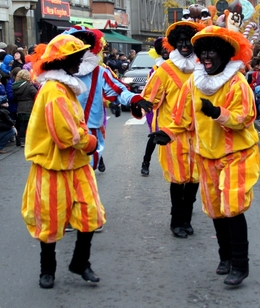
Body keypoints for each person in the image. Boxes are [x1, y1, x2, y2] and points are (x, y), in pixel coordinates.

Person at [149, 25, 259, 286]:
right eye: (203, 52)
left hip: (237, 154)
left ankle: (240, 265)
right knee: (215, 210)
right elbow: (182, 117)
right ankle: (225, 257)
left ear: (224, 54)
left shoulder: (237, 83)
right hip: (207, 155)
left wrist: (217, 112)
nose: (206, 56)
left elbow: (245, 117)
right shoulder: (194, 82)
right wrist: (167, 132)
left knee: (232, 208)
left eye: (212, 51)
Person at [21, 34, 105, 289]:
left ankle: (81, 262)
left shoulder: (64, 86)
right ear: (62, 61)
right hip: (52, 167)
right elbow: (65, 134)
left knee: (90, 215)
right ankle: (47, 269)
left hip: (77, 166)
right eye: (76, 59)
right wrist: (89, 142)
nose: (80, 64)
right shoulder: (54, 90)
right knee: (50, 220)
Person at [138, 21, 202, 238]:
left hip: (200, 134)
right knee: (178, 178)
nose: (184, 45)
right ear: (174, 44)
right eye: (180, 41)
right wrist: (141, 104)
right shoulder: (164, 70)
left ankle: (187, 218)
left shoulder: (203, 68)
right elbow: (150, 98)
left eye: (188, 41)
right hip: (173, 134)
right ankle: (176, 220)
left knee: (194, 179)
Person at [59, 26, 151, 173]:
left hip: (90, 127)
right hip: (62, 127)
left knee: (85, 171)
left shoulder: (99, 71)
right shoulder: (56, 74)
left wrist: (134, 99)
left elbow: (118, 90)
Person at [141, 37, 169, 176]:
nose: (165, 51)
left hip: (172, 108)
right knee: (154, 136)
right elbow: (150, 90)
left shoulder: (180, 67)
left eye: (167, 48)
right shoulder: (155, 69)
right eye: (162, 49)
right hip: (156, 108)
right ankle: (146, 162)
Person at [12, 70, 36, 147]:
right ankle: (28, 140)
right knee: (29, 125)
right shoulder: (28, 85)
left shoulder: (15, 86)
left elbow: (14, 97)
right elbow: (35, 93)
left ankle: (20, 140)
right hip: (29, 106)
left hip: (20, 107)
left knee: (22, 125)